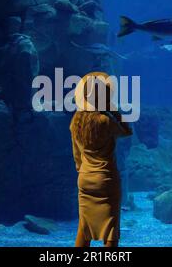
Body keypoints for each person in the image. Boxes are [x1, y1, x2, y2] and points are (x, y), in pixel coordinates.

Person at [70, 72, 133, 247]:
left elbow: (77, 156)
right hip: (106, 179)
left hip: (85, 179)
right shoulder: (106, 120)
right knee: (111, 228)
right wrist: (114, 110)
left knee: (84, 228)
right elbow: (127, 131)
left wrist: (83, 171)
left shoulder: (76, 120)